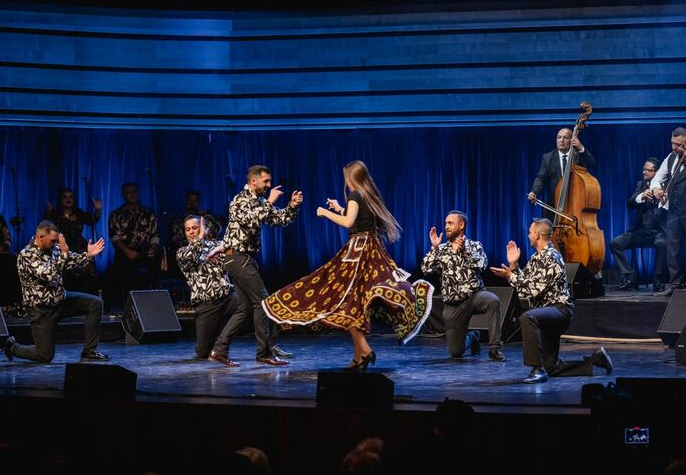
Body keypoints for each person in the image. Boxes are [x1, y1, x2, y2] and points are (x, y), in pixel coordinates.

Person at [261, 160, 433, 369]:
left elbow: (349, 223)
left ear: (351, 177)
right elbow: (359, 220)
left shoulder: (355, 195)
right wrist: (340, 208)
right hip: (371, 250)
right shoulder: (368, 195)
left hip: (358, 253)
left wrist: (326, 213)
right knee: (353, 304)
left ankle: (365, 352)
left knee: (341, 298)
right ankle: (360, 355)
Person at [490, 218, 611, 383]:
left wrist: (511, 276)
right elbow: (525, 284)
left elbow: (533, 290)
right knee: (552, 367)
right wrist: (513, 266)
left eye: (530, 232)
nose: (528, 235)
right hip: (546, 312)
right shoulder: (537, 258)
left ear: (538, 235)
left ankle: (537, 369)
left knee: (527, 317)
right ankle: (595, 360)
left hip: (559, 311)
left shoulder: (551, 257)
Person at [205, 165, 301, 366]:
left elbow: (278, 220)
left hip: (242, 259)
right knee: (263, 303)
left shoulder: (258, 201)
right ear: (252, 181)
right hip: (238, 258)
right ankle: (263, 353)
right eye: (265, 181)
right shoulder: (240, 201)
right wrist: (270, 201)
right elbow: (252, 220)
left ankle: (219, 349)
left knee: (245, 309)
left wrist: (291, 206)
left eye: (269, 181)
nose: (268, 185)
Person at [7, 220, 107, 362]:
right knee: (45, 355)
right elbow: (48, 275)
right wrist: (64, 255)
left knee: (95, 303)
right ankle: (13, 347)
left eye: (56, 241)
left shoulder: (53, 249)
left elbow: (72, 261)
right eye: (52, 241)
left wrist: (88, 255)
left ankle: (89, 351)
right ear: (40, 237)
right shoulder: (26, 255)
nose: (55, 244)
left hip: (61, 301)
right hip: (42, 310)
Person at [421, 210, 505, 361]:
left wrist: (465, 252)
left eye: (450, 223)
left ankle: (494, 348)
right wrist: (434, 248)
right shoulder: (441, 250)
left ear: (461, 225)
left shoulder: (474, 245)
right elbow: (425, 269)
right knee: (456, 352)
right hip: (454, 304)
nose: (446, 226)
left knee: (493, 300)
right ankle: (473, 337)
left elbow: (482, 265)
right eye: (446, 223)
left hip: (475, 296)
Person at [176, 215, 244, 364]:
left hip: (228, 297)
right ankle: (216, 342)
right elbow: (192, 255)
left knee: (256, 303)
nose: (191, 232)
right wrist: (200, 239)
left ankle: (268, 347)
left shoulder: (217, 246)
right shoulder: (182, 252)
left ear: (205, 228)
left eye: (195, 228)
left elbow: (235, 254)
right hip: (207, 305)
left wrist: (223, 252)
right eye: (188, 230)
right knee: (202, 353)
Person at [650, 127, 686, 294]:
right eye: (672, 143)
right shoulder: (670, 158)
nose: (674, 147)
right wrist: (656, 190)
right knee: (672, 246)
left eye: (678, 144)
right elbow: (657, 178)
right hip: (675, 208)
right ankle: (675, 283)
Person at [610, 158, 667, 291]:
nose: (644, 172)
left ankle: (657, 280)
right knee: (615, 243)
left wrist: (664, 199)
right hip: (640, 231)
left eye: (649, 170)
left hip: (659, 231)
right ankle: (629, 278)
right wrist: (640, 196)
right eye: (644, 169)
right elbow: (630, 204)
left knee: (662, 244)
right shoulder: (641, 185)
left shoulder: (665, 185)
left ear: (657, 172)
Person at [109, 182, 161, 303]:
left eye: (134, 192)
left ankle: (153, 301)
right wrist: (127, 251)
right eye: (128, 192)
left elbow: (155, 234)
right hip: (125, 252)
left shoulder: (148, 213)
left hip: (145, 251)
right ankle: (128, 303)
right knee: (126, 268)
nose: (132, 195)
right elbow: (115, 236)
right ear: (123, 195)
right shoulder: (116, 214)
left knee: (156, 258)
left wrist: (152, 248)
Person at [528, 127, 597, 218]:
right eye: (559, 137)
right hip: (555, 206)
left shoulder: (578, 156)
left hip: (575, 206)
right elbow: (541, 178)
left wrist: (580, 148)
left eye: (565, 137)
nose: (561, 140)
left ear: (572, 140)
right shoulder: (548, 158)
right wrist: (534, 192)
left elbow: (592, 163)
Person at [44, 187, 102, 293]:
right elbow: (47, 227)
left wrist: (98, 209)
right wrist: (48, 212)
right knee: (64, 274)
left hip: (79, 246)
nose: (68, 199)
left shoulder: (79, 213)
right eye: (65, 197)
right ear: (60, 200)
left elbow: (93, 220)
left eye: (71, 197)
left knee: (86, 271)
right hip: (61, 247)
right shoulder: (55, 214)